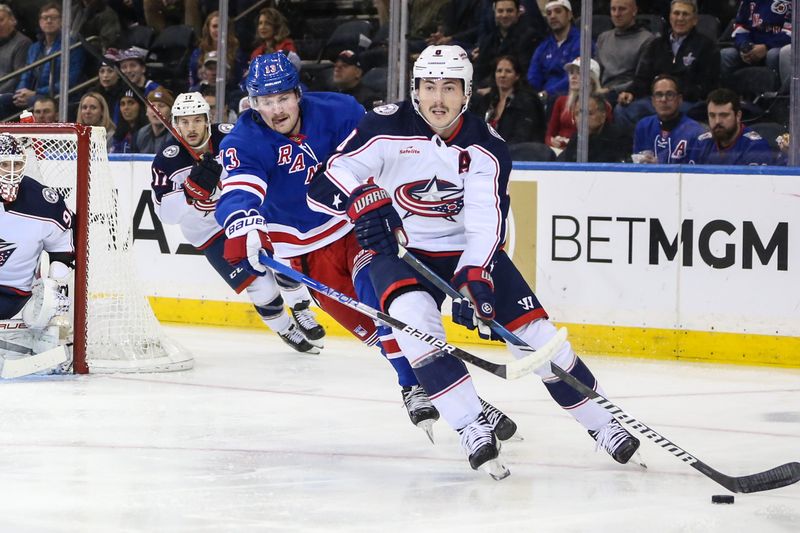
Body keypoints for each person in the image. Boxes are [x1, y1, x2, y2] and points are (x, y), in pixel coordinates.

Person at [308, 44, 641, 476]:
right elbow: (332, 175)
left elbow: (486, 224)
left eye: (449, 87)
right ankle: (469, 425)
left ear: (466, 93)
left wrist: (475, 277)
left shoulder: (487, 146)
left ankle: (603, 423)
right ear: (415, 89)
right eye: (429, 87)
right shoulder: (385, 125)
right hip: (402, 249)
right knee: (413, 322)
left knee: (537, 338)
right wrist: (363, 200)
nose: (438, 99)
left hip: (466, 250)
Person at [213, 52, 516, 441]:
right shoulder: (245, 138)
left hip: (355, 227)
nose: (276, 110)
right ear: (253, 104)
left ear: (298, 94)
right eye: (266, 101)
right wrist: (244, 222)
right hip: (302, 250)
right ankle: (436, 387)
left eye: (283, 98)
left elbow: (385, 148)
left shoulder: (339, 110)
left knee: (384, 306)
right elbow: (239, 190)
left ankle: (420, 388)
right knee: (373, 331)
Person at [150, 91, 323, 354]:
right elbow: (167, 215)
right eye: (184, 122)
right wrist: (189, 193)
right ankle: (285, 328)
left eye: (196, 120)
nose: (191, 128)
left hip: (247, 215)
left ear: (208, 120)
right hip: (209, 232)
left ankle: (300, 308)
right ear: (175, 124)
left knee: (284, 259)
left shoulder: (232, 136)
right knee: (260, 285)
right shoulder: (167, 159)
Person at [0, 133, 74, 375]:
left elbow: (62, 251)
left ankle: (52, 342)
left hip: (13, 295)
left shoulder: (43, 202)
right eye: (3, 164)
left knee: (56, 306)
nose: (11, 172)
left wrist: (53, 289)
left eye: (17, 164)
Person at [615, 0, 719, 129]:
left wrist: (674, 93)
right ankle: (640, 146)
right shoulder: (656, 44)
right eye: (676, 13)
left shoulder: (707, 47)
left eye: (685, 14)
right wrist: (630, 92)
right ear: (670, 17)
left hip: (687, 102)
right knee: (623, 110)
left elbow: (708, 86)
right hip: (655, 100)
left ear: (695, 20)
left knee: (672, 112)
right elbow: (642, 78)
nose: (680, 18)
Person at [0, 3, 84, 118]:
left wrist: (37, 93)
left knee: (33, 101)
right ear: (40, 22)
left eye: (53, 18)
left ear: (62, 21)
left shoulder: (71, 45)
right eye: (45, 18)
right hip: (34, 95)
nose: (48, 21)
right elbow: (26, 74)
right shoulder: (34, 47)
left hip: (56, 95)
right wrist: (20, 92)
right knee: (4, 100)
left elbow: (69, 80)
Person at [470, 55, 546, 144]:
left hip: (515, 153)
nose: (502, 75)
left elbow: (523, 137)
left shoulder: (527, 102)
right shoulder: (487, 100)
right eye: (499, 71)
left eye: (508, 71)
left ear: (517, 76)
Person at [526, 0, 592, 104]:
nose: (552, 16)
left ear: (569, 15)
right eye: (549, 13)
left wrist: (547, 93)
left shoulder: (582, 42)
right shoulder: (543, 46)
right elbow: (533, 76)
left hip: (571, 98)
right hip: (542, 99)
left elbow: (576, 77)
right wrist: (532, 95)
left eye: (558, 11)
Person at [687, 88, 774, 165]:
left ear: (738, 116)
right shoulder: (701, 143)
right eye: (712, 115)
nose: (717, 121)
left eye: (724, 115)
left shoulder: (755, 147)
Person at [632, 74, 705, 163]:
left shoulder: (695, 132)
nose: (664, 99)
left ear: (680, 99)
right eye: (659, 95)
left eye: (670, 94)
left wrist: (660, 168)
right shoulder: (643, 126)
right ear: (653, 101)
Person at [470, 0, 540, 91]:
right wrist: (477, 89)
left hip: (515, 92)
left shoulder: (529, 37)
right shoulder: (489, 39)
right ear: (494, 13)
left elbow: (523, 75)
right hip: (484, 90)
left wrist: (492, 90)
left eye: (509, 11)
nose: (504, 15)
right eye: (500, 11)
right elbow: (479, 71)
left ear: (518, 13)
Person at [545, 57, 609, 150]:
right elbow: (549, 135)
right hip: (558, 151)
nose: (573, 77)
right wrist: (551, 141)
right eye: (571, 73)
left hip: (587, 151)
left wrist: (569, 143)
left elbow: (604, 137)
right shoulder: (561, 101)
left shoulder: (603, 105)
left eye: (579, 73)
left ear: (591, 78)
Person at [596, 0, 654, 99]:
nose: (616, 14)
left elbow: (642, 79)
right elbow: (595, 71)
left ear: (634, 11)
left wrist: (612, 90)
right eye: (613, 9)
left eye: (622, 9)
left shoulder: (647, 39)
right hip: (601, 91)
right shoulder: (603, 37)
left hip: (627, 93)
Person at [720, 0, 791, 79]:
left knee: (773, 55)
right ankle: (727, 91)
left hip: (776, 46)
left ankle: (778, 90)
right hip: (752, 45)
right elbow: (740, 26)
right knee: (726, 55)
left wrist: (766, 47)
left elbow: (791, 32)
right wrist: (744, 45)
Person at [557, 93, 632, 162]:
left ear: (603, 116)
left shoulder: (619, 137)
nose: (581, 119)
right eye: (577, 114)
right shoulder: (576, 138)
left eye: (589, 113)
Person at [189, 10, 248, 89]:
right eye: (215, 26)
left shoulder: (237, 53)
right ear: (208, 29)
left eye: (222, 26)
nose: (218, 30)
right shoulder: (198, 53)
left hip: (230, 96)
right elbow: (192, 83)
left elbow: (241, 82)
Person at [0, 4, 32, 95]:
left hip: (9, 94)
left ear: (12, 20)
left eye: (1, 20)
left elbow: (18, 76)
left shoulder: (22, 43)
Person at [132, 86, 173, 154]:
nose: (156, 110)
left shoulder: (176, 137)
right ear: (146, 112)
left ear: (171, 112)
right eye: (152, 106)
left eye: (161, 106)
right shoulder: (140, 135)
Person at [109, 89, 146, 153]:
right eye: (122, 104)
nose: (126, 107)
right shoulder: (116, 136)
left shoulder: (147, 134)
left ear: (140, 106)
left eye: (131, 103)